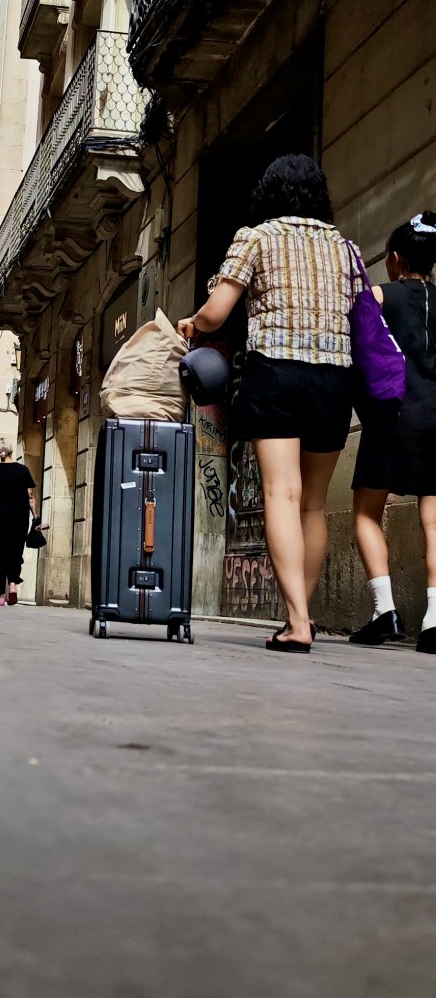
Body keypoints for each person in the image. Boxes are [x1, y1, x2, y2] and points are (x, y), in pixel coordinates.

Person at [178, 153, 358, 654]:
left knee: (281, 493)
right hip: (334, 377)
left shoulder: (255, 237)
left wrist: (193, 323)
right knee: (314, 503)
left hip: (276, 373)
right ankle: (300, 614)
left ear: (269, 193)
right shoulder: (344, 247)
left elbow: (217, 313)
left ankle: (297, 622)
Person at [350, 209, 436, 652]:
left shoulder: (379, 296)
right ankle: (435, 618)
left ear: (396, 258)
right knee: (434, 517)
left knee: (366, 511)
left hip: (392, 417)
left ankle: (385, 610)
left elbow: (360, 351)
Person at [0, 440, 37, 606]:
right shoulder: (23, 470)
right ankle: (13, 585)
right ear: (11, 451)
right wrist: (35, 516)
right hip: (19, 518)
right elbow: (30, 496)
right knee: (15, 552)